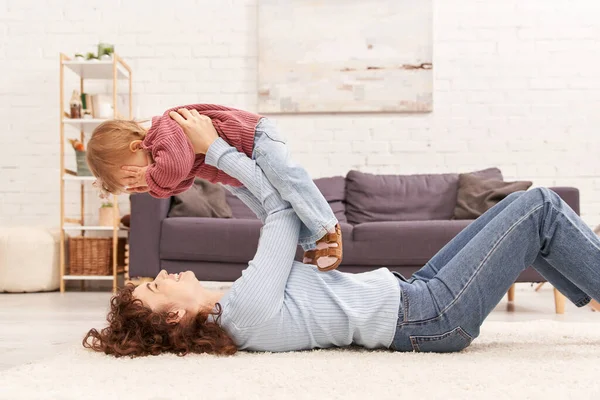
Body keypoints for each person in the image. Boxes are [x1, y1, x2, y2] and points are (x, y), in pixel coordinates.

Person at [84, 111, 600, 357]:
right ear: (174, 314)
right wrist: (212, 151)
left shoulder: (238, 310)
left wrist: (207, 163)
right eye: (155, 285)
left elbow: (271, 209)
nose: (163, 273)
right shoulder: (246, 311)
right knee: (539, 206)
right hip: (430, 316)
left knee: (524, 211)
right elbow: (280, 210)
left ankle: (592, 293)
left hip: (416, 296)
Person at [85, 105, 341, 271]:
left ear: (135, 148)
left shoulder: (164, 133)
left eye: (131, 174)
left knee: (289, 181)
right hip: (232, 175)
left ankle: (326, 227)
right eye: (131, 186)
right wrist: (147, 183)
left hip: (254, 139)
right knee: (274, 213)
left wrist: (148, 176)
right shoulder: (157, 162)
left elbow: (173, 170)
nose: (138, 181)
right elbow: (175, 184)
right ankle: (310, 243)